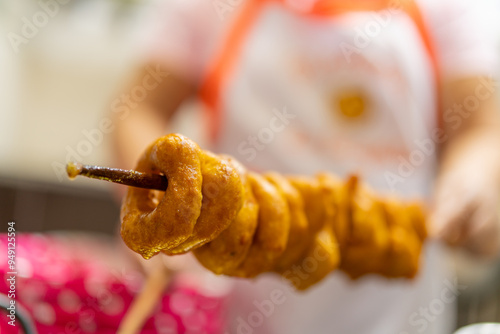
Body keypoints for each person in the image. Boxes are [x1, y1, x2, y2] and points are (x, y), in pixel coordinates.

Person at [112, 0, 500, 332]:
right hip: (245, 305)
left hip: (402, 311)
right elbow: (139, 108)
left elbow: (481, 126)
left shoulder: (449, 8)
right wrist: (161, 210)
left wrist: (475, 181)